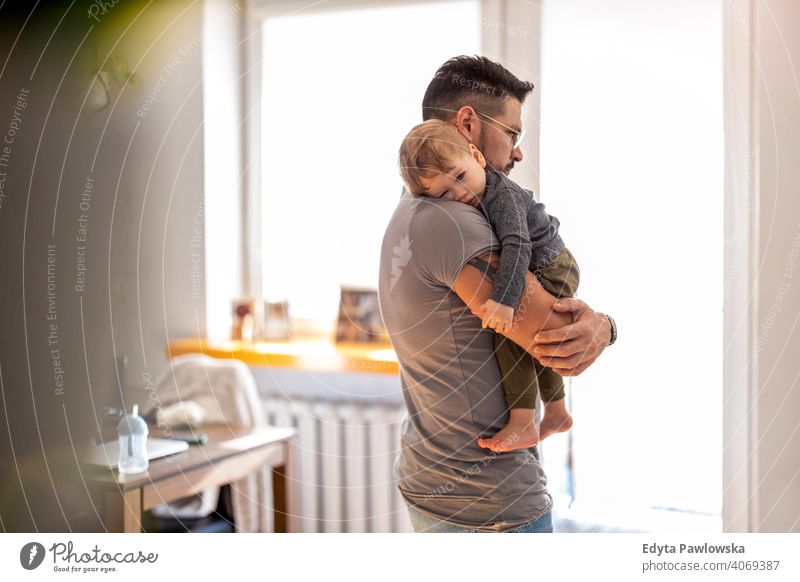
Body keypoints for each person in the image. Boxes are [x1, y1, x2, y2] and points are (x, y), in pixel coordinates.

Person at [378, 55, 615, 533]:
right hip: (488, 503)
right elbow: (558, 341)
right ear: (468, 123)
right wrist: (608, 328)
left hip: (440, 482)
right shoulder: (454, 220)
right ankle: (552, 414)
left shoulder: (418, 209)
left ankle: (553, 414)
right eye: (513, 133)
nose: (518, 151)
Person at [398, 119, 578, 453]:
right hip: (547, 261)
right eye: (443, 194)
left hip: (554, 263)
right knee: (536, 339)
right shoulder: (472, 196)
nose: (460, 194)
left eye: (461, 178)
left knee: (511, 335)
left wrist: (505, 301)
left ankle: (525, 420)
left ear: (476, 157)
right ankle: (556, 411)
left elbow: (519, 245)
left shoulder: (501, 195)